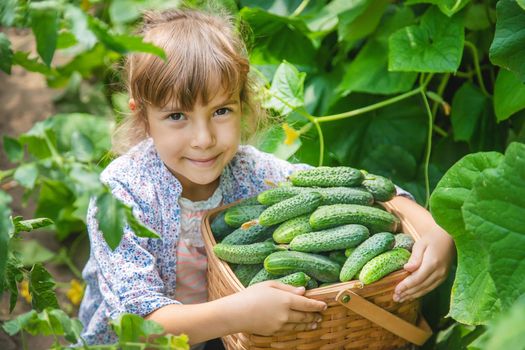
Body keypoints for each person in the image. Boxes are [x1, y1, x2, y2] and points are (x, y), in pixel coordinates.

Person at [77, 7, 455, 348]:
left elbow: (357, 191)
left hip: (229, 336)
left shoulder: (250, 170)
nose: (204, 139)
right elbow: (140, 324)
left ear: (242, 103)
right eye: (177, 116)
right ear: (142, 114)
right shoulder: (122, 195)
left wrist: (433, 230)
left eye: (221, 111)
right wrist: (240, 312)